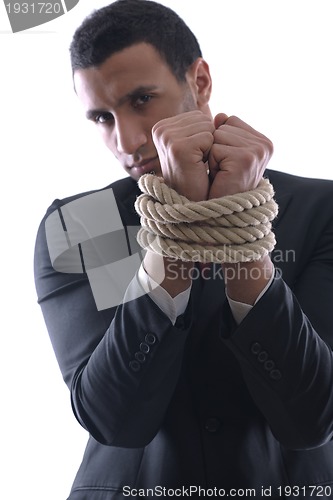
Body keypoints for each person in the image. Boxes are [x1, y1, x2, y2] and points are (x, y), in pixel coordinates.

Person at [34, 0, 333, 498]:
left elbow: (311, 419)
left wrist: (240, 232)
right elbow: (116, 421)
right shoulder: (84, 223)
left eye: (141, 100)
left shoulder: (320, 210)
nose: (126, 140)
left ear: (199, 81)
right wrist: (176, 236)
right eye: (102, 117)